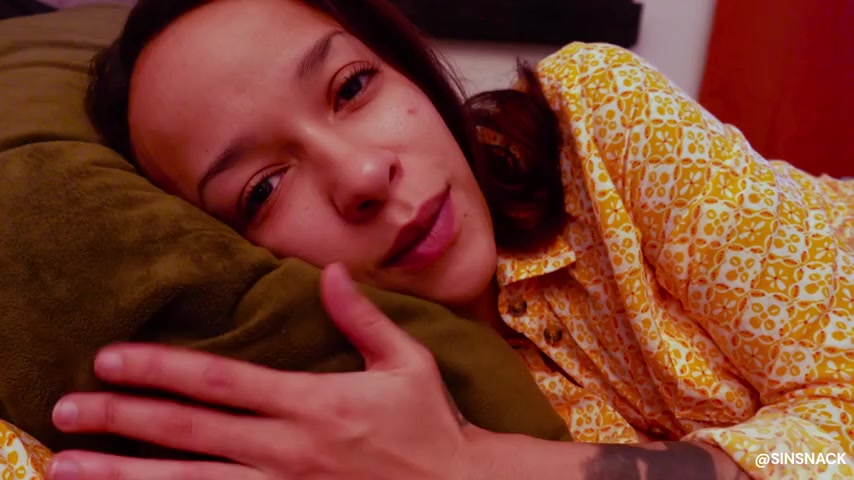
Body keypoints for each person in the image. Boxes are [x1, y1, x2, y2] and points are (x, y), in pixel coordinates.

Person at [48, 0, 854, 478]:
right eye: (262, 189)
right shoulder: (324, 409)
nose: (363, 174)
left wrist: (477, 467)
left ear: (403, 64)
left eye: (352, 87)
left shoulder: (600, 119)